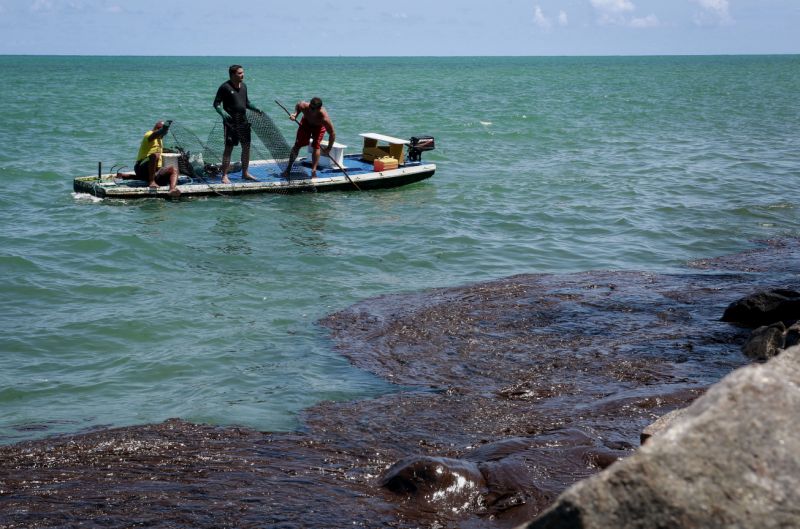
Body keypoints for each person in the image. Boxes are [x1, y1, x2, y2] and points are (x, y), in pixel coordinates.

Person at [213, 64, 263, 184]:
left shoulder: (244, 86)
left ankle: (245, 173)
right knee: (228, 148)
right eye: (240, 73)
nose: (242, 75)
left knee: (246, 147)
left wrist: (255, 108)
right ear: (232, 75)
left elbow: (246, 103)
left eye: (243, 72)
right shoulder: (224, 87)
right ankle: (224, 175)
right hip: (230, 123)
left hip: (243, 121)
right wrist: (222, 113)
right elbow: (216, 104)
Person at [283, 97, 336, 178]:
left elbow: (332, 134)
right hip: (306, 123)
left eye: (313, 108)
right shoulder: (304, 106)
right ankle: (288, 168)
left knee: (316, 145)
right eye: (310, 106)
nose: (310, 109)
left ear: (319, 109)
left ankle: (313, 170)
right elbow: (298, 105)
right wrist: (295, 114)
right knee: (297, 145)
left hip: (318, 127)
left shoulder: (324, 119)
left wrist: (329, 148)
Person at [133, 120, 181, 197]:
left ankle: (172, 190)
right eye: (164, 132)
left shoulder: (160, 140)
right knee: (155, 155)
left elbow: (158, 149)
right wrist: (165, 128)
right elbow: (156, 134)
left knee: (173, 169)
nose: (165, 134)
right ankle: (151, 182)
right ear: (158, 129)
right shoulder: (149, 134)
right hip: (141, 168)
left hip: (155, 172)